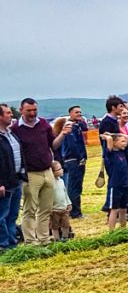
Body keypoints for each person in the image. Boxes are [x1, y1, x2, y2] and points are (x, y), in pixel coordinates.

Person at [12, 98, 72, 246]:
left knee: (45, 210)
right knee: (29, 210)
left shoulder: (43, 124)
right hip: (30, 174)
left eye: (34, 110)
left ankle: (44, 239)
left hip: (47, 171)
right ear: (21, 110)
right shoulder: (16, 129)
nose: (32, 113)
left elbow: (53, 145)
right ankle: (31, 241)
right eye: (29, 111)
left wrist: (62, 134)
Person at [0, 104, 25, 251]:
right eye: (8, 113)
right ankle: (3, 245)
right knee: (2, 215)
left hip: (16, 180)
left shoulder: (10, 134)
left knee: (12, 214)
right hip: (5, 183)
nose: (11, 115)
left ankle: (12, 241)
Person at [60, 105, 89, 219]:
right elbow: (73, 145)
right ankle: (75, 212)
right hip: (73, 160)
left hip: (76, 159)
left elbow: (85, 128)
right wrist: (80, 157)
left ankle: (76, 210)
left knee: (77, 185)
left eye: (80, 112)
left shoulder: (77, 126)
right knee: (74, 186)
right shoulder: (69, 127)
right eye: (76, 112)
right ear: (70, 114)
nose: (79, 114)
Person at [100, 133, 128, 230]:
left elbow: (127, 137)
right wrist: (107, 137)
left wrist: (122, 136)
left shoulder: (123, 152)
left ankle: (123, 229)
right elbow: (109, 139)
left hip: (125, 184)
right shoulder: (109, 154)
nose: (125, 143)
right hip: (115, 185)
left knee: (123, 209)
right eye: (122, 142)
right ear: (114, 142)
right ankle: (111, 231)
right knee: (114, 209)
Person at [49, 161, 73, 241]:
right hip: (55, 210)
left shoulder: (61, 181)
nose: (62, 170)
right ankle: (57, 239)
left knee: (66, 224)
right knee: (54, 226)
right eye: (59, 169)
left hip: (64, 209)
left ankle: (65, 237)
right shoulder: (50, 184)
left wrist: (68, 203)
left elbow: (65, 193)